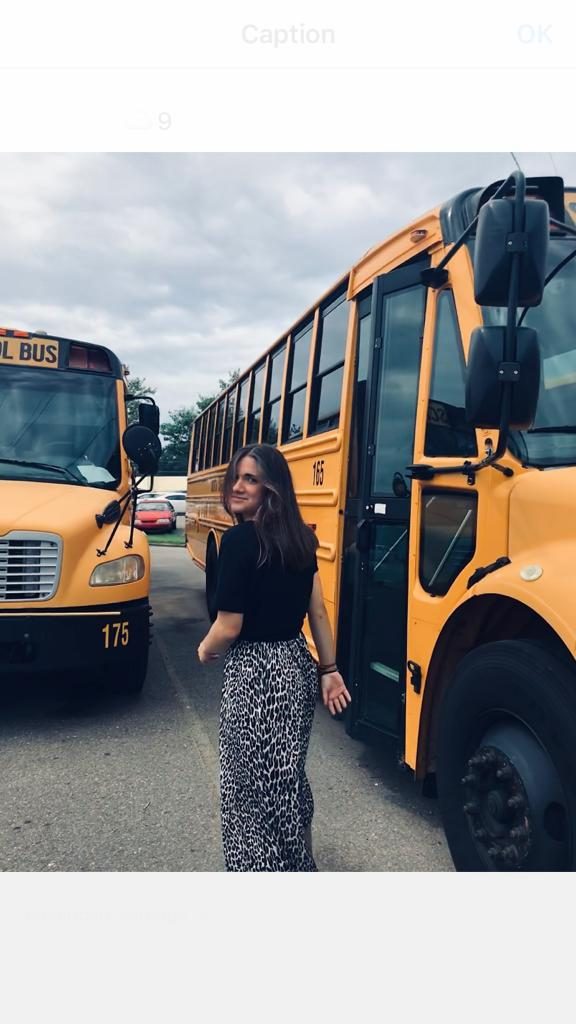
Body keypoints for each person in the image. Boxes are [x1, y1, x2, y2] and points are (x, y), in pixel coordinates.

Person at [197, 443, 351, 872]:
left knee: (248, 784)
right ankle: (298, 858)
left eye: (251, 479)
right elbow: (318, 612)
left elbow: (228, 626)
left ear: (272, 488)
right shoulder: (302, 538)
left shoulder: (238, 541)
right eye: (236, 477)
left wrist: (204, 649)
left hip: (255, 674)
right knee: (285, 775)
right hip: (295, 666)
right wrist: (329, 669)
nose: (238, 486)